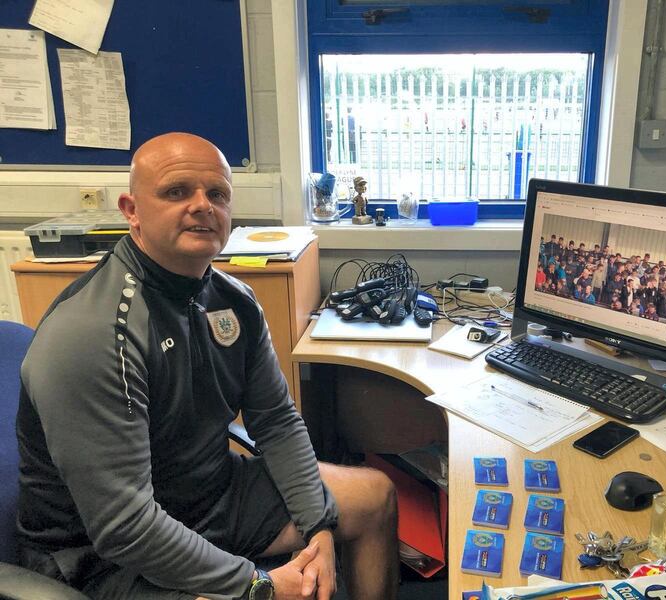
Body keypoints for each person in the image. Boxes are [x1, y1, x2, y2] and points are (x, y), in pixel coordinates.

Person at [15, 133, 398, 600]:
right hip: (104, 555)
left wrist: (319, 525)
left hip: (209, 495)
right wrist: (258, 584)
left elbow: (275, 422)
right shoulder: (92, 333)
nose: (202, 206)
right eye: (177, 192)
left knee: (373, 497)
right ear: (131, 210)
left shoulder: (232, 300)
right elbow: (125, 526)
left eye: (216, 194)